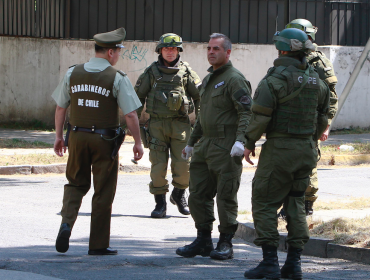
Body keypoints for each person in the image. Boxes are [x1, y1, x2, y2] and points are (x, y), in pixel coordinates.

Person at [243, 28, 330, 279]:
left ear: (281, 50)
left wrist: (248, 143)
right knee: (296, 203)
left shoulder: (273, 81)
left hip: (280, 150)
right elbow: (323, 118)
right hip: (307, 150)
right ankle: (294, 264)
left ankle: (269, 262)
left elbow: (259, 117)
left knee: (265, 202)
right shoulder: (318, 81)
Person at [52, 27, 144, 255]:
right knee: (103, 190)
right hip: (105, 140)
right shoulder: (117, 77)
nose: (119, 56)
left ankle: (66, 224)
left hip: (77, 137)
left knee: (75, 183)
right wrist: (138, 142)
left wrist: (58, 137)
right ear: (111, 52)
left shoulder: (73, 73)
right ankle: (98, 244)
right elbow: (131, 114)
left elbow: (61, 106)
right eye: (119, 51)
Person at [176, 33, 252, 260]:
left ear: (227, 52)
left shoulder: (234, 79)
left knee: (226, 196)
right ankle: (203, 240)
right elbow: (201, 117)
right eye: (209, 48)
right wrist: (191, 143)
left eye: (216, 49)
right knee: (197, 195)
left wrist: (241, 140)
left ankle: (226, 243)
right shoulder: (209, 80)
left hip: (226, 146)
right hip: (205, 145)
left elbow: (246, 112)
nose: (211, 52)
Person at [134, 33, 201, 218]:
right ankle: (160, 204)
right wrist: (134, 127)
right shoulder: (151, 72)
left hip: (181, 126)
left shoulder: (187, 72)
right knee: (157, 167)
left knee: (184, 167)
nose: (170, 52)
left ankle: (179, 194)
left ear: (178, 50)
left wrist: (203, 123)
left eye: (173, 48)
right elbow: (137, 98)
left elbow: (200, 96)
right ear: (160, 50)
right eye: (166, 48)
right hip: (156, 126)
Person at [284, 18, 339, 216]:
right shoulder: (288, 58)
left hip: (311, 121)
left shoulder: (318, 62)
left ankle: (307, 205)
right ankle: (289, 204)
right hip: (288, 120)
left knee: (308, 163)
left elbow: (331, 97)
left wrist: (326, 126)